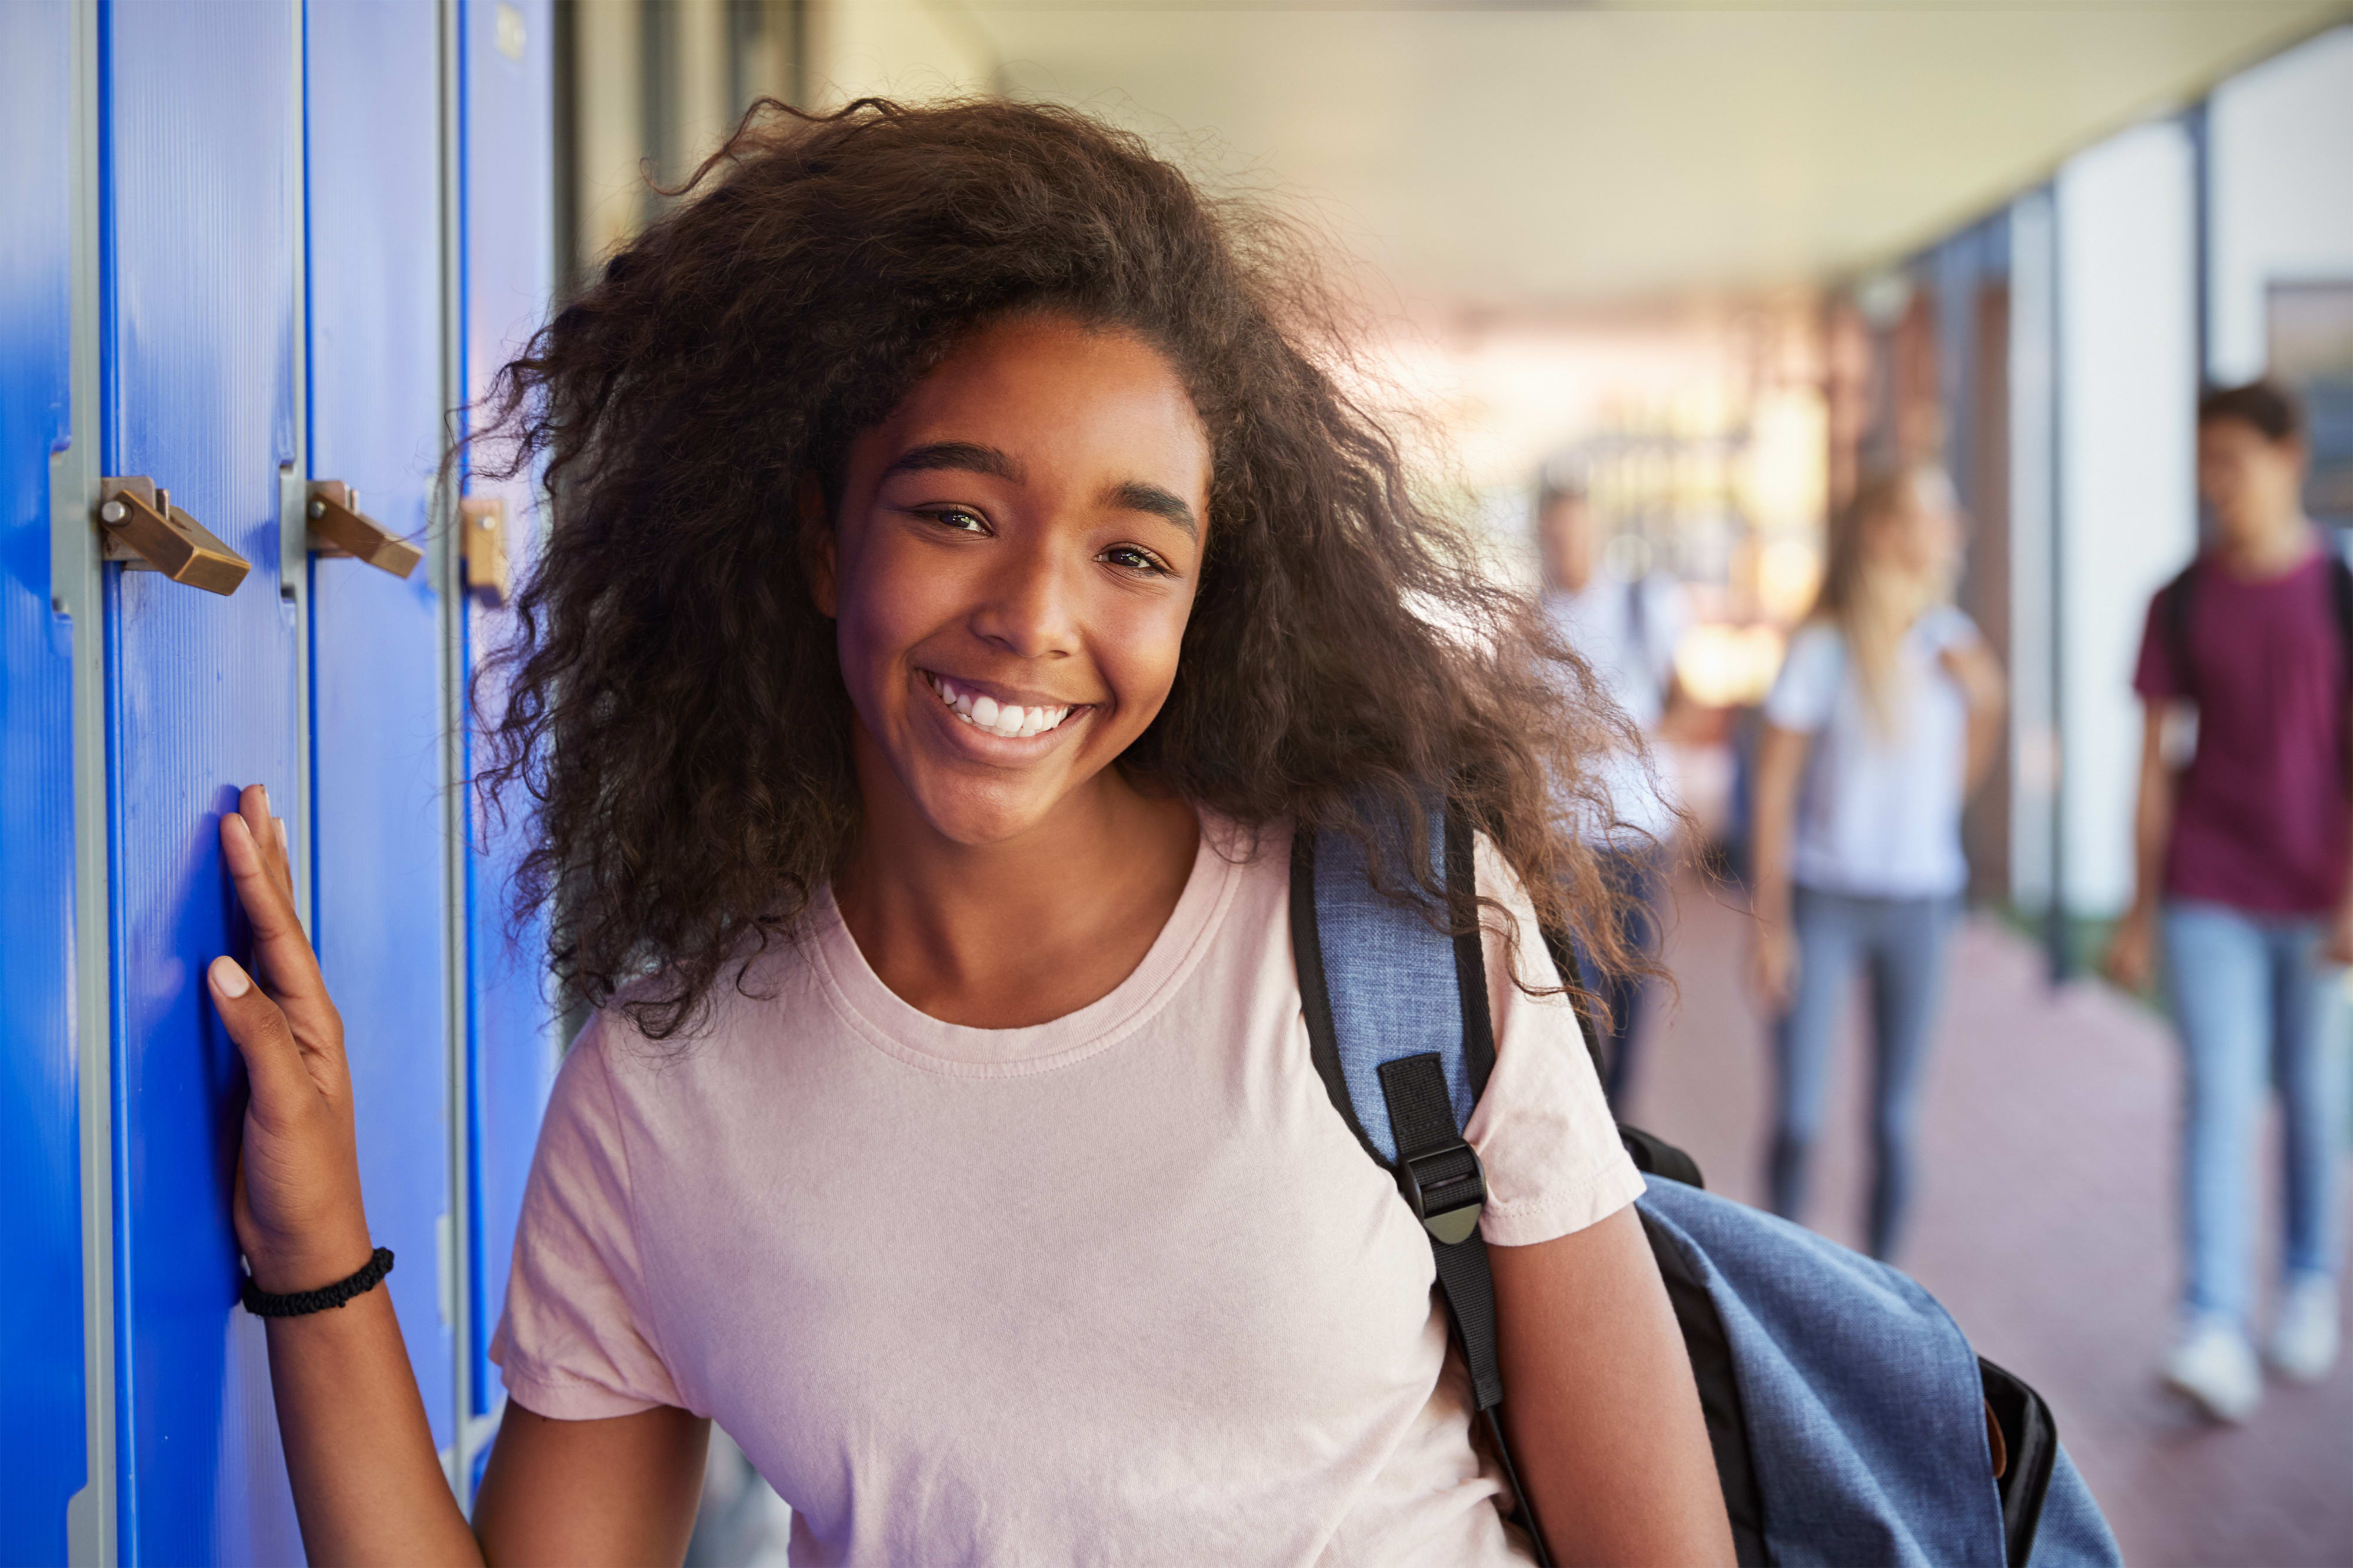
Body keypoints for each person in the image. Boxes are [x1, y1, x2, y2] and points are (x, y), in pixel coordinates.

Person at [200, 101, 1734, 1566]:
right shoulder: (668, 1095)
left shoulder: (1393, 933)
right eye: (955, 513)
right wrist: (315, 1236)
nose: (1033, 621)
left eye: (1133, 551)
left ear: (1206, 602)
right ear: (822, 537)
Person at [2104, 380, 2352, 1424]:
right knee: (2216, 1091)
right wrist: (2139, 906)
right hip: (2211, 883)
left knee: (2310, 1088)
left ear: (2289, 457)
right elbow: (2155, 765)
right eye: (2204, 464)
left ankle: (2305, 1278)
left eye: (2232, 463)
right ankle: (2212, 1321)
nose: (2216, 485)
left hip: (2319, 889)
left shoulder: (2340, 592)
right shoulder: (2182, 598)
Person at [1748, 465, 2006, 1262]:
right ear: (1884, 531)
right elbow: (1774, 788)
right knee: (1801, 1116)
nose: (1952, 529)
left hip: (1919, 906)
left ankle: (1881, 1290)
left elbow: (1975, 748)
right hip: (1824, 900)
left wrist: (1985, 703)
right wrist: (1769, 924)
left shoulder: (1953, 644)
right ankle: (1780, 1275)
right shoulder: (1822, 646)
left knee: (1894, 1122)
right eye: (1935, 515)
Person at [1536, 479, 1688, 1109]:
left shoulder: (1644, 603)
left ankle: (1618, 1118)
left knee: (1628, 985)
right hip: (1558, 834)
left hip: (1632, 831)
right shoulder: (1529, 618)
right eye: (1553, 533)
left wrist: (1625, 736)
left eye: (1574, 530)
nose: (1564, 545)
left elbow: (1690, 705)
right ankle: (1585, 1110)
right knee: (1571, 984)